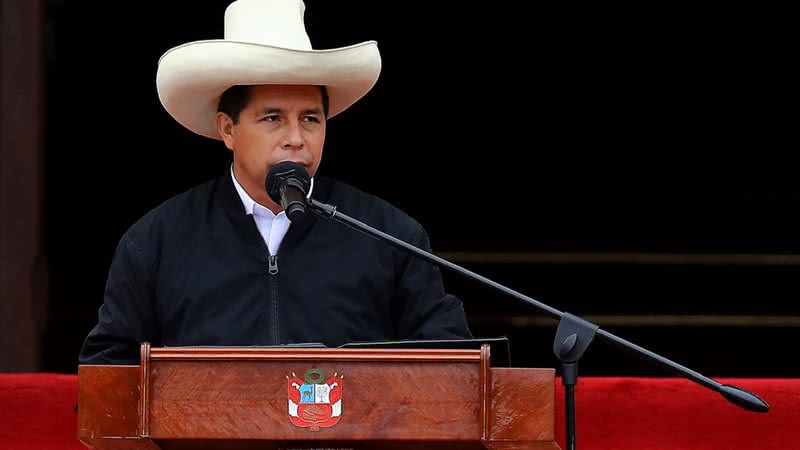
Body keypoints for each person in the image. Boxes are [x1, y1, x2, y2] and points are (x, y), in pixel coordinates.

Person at [78, 0, 472, 365]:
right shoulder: (157, 241)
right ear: (228, 129)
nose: (296, 137)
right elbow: (109, 372)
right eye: (273, 118)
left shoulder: (390, 235)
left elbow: (451, 362)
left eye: (310, 119)